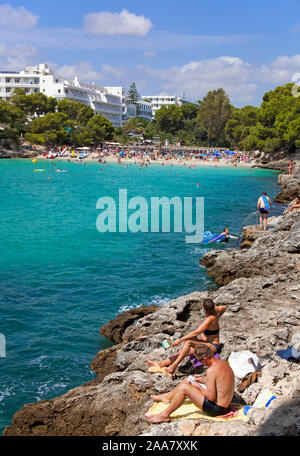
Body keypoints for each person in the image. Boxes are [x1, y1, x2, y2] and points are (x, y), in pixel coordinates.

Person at [147, 344, 235, 423]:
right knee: (188, 380)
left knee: (184, 388)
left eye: (199, 361)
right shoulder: (223, 363)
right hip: (225, 407)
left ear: (204, 359)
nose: (201, 363)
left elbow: (211, 397)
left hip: (217, 409)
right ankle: (168, 396)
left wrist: (198, 386)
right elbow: (221, 383)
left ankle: (164, 415)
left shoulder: (211, 370)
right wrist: (203, 381)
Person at [147, 299, 227, 375]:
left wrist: (180, 339)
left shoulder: (209, 319)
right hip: (205, 343)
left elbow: (196, 332)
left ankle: (173, 367)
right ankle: (161, 363)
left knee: (188, 343)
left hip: (212, 346)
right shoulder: (216, 310)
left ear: (205, 310)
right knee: (184, 350)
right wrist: (218, 317)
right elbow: (224, 307)